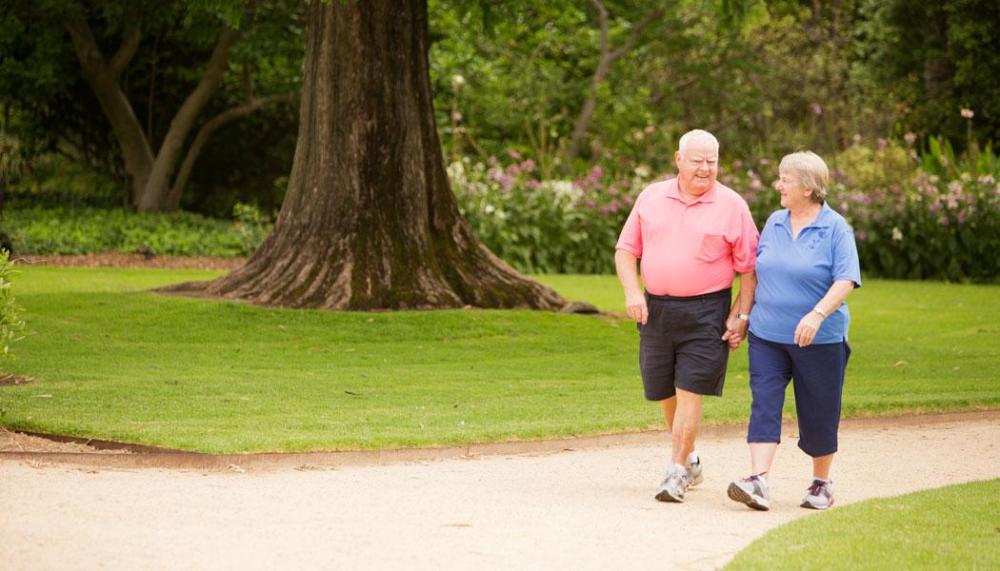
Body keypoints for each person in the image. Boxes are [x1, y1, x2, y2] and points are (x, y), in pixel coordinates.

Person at [615, 129, 758, 503]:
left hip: (707, 312)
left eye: (712, 161)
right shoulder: (652, 196)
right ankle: (691, 460)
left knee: (690, 391)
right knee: (665, 391)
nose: (705, 168)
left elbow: (749, 269)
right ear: (678, 160)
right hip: (656, 310)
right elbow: (626, 250)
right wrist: (633, 293)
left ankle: (676, 472)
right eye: (697, 160)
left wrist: (740, 315)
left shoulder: (733, 205)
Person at [726, 151, 861, 511]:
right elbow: (755, 273)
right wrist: (741, 316)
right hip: (767, 335)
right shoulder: (774, 221)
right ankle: (758, 481)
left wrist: (816, 315)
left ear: (808, 186)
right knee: (764, 403)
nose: (778, 184)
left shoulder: (835, 228)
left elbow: (846, 279)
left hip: (819, 340)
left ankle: (821, 483)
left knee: (819, 411)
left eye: (785, 178)